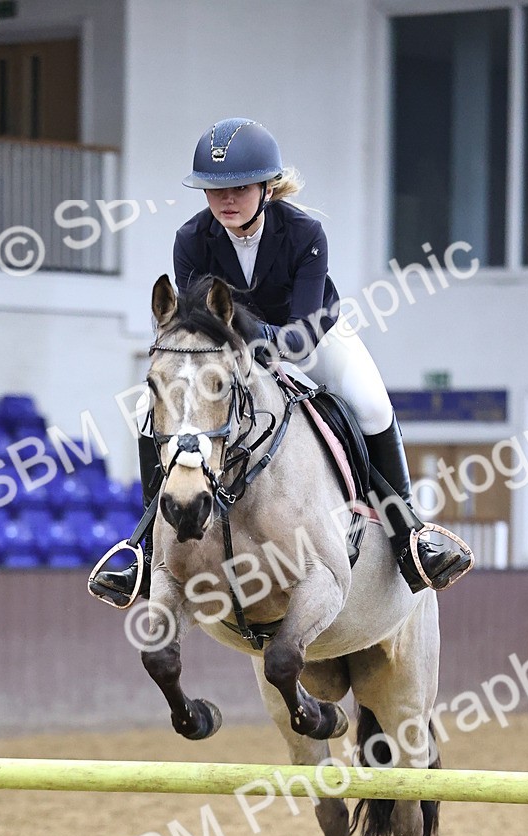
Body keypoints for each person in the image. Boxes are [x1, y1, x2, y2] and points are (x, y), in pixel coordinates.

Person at [90, 117, 473, 605]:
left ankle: (409, 539)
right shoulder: (191, 240)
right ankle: (145, 553)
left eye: (239, 187)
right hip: (229, 354)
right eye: (214, 189)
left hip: (311, 339)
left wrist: (248, 337)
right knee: (150, 416)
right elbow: (192, 322)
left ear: (267, 188)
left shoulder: (304, 233)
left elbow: (303, 333)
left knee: (373, 405)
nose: (226, 200)